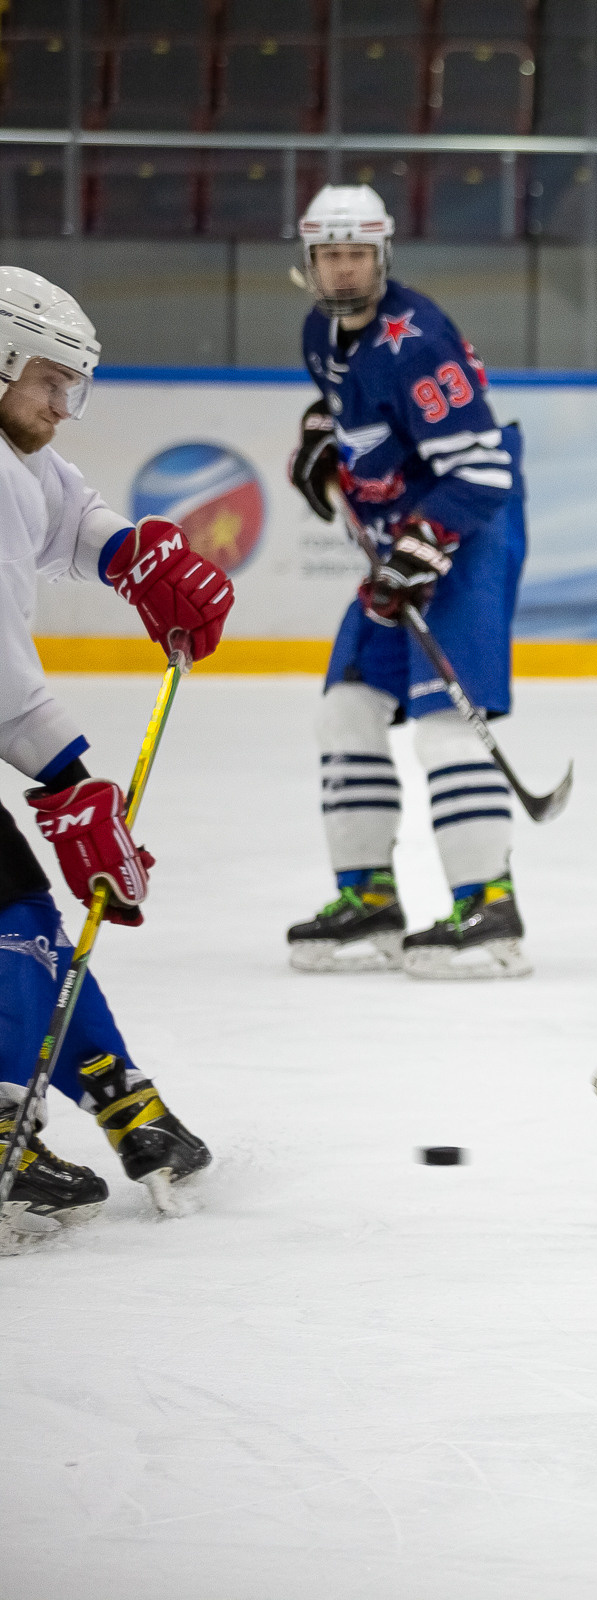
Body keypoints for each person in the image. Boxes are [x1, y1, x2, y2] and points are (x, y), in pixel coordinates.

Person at [0, 265, 231, 1239]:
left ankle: (129, 1106)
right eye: (50, 381)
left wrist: (129, 553)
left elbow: (61, 508)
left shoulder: (15, 459)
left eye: (73, 385)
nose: (65, 406)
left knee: (22, 908)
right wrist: (68, 781)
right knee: (7, 912)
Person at [282, 184, 533, 980]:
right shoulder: (319, 334)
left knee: (444, 728)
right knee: (344, 712)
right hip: (399, 546)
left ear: (383, 256)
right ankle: (369, 899)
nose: (345, 270)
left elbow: (483, 468)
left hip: (465, 539)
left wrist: (423, 546)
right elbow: (350, 413)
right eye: (331, 255)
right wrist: (322, 438)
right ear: (310, 262)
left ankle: (489, 910)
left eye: (358, 254)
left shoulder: (418, 340)